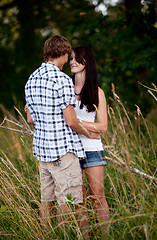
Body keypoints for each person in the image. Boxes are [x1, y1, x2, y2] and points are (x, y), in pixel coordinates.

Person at [25, 35, 99, 238]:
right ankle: (68, 236)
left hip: (42, 151)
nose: (67, 61)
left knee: (46, 201)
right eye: (67, 56)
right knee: (69, 200)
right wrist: (90, 132)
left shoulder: (31, 79)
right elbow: (71, 121)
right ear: (63, 53)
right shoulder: (61, 79)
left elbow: (31, 120)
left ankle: (48, 236)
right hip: (63, 151)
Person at [70, 46, 109, 234]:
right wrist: (89, 129)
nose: (72, 62)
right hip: (70, 150)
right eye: (71, 58)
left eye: (77, 59)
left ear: (87, 63)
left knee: (98, 196)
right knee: (79, 200)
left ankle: (106, 236)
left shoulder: (97, 92)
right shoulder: (66, 89)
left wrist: (77, 123)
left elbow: (103, 127)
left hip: (92, 149)